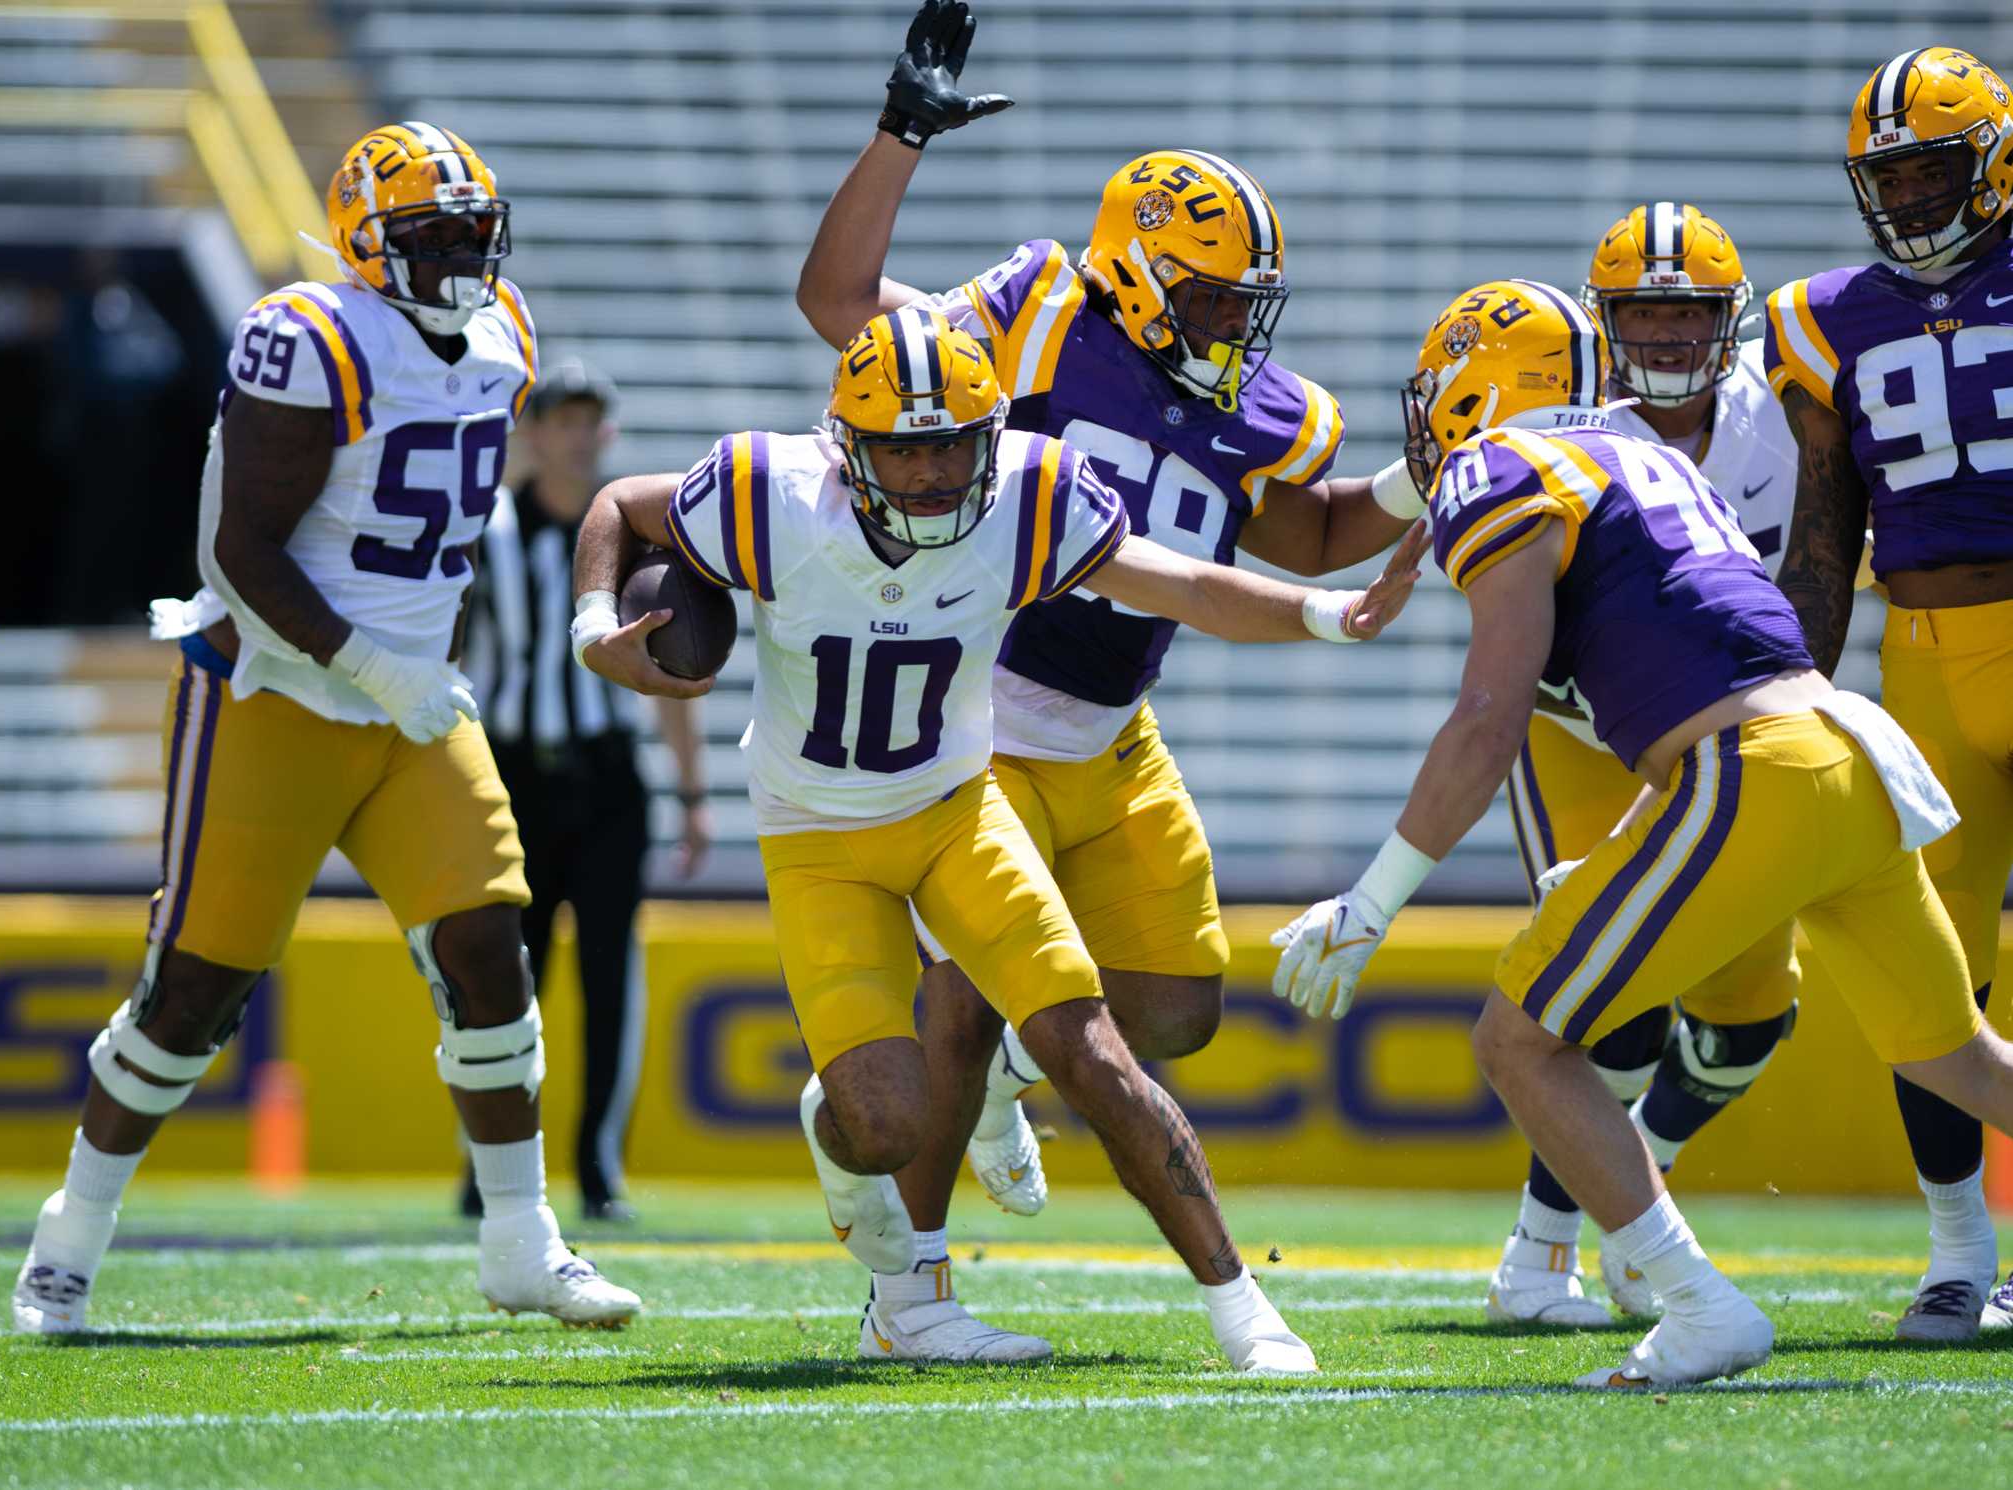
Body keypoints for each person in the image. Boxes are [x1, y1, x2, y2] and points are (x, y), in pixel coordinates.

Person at [575, 305, 1426, 1372]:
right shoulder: (769, 490)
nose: (932, 470)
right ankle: (892, 1264)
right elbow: (618, 502)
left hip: (954, 811)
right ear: (848, 445)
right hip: (816, 837)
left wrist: (1323, 613)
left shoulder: (1032, 492)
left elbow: (1187, 584)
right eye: (904, 445)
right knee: (882, 1123)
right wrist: (591, 623)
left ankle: (1243, 1309)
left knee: (1089, 1044)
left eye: (953, 442)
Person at [789, 0, 1422, 1354]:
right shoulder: (1034, 316)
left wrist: (1429, 473)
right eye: (1208, 297)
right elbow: (841, 308)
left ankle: (1010, 1081)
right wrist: (900, 138)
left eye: (1245, 303)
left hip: (1117, 733)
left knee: (1178, 1009)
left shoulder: (1260, 402)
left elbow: (1301, 528)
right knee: (960, 1007)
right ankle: (916, 1295)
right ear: (1136, 272)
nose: (1232, 324)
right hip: (977, 716)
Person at [1275, 275, 2013, 1388]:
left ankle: (1694, 1302)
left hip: (1745, 772)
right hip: (1844, 753)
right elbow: (1673, 658)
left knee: (1518, 1041)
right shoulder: (1649, 456)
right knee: (1958, 1054)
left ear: (1476, 389)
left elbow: (1487, 716)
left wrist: (1369, 900)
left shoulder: (1496, 465)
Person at [9, 121, 638, 1333]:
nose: (461, 253)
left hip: (410, 707)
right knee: (190, 993)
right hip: (274, 692)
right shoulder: (310, 336)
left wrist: (431, 656)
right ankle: (65, 1243)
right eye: (432, 233)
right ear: (365, 242)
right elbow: (237, 549)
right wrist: (371, 662)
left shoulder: (502, 329)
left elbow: (441, 511)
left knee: (489, 950)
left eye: (472, 231)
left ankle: (523, 1240)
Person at [1487, 204, 1804, 1325]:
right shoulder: (1547, 414)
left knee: (1754, 1014)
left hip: (1709, 734)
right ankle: (1540, 1254)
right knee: (1598, 994)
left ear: (1731, 319)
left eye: (1687, 311)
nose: (1666, 335)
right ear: (1600, 320)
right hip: (1574, 728)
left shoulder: (1776, 422)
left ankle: (1641, 1172)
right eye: (1642, 311)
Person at [1767, 44, 2013, 1341]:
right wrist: (1794, 691)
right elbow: (1822, 528)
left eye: (1931, 168)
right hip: (1922, 646)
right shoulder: (1824, 316)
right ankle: (1961, 1248)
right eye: (1890, 175)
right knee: (1936, 967)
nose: (1910, 198)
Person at [459, 357, 708, 1222]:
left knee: (609, 979)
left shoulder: (634, 539)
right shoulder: (487, 529)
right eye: (558, 419)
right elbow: (452, 655)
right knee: (500, 973)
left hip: (607, 780)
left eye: (587, 419)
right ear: (531, 432)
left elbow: (670, 676)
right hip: (510, 773)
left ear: (605, 431)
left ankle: (599, 1169)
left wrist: (691, 793)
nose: (574, 434)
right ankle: (487, 1164)